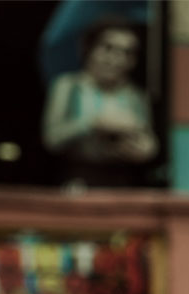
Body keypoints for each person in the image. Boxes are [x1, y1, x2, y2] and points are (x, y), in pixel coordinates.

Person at [42, 18, 158, 188]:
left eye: (126, 53)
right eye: (108, 48)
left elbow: (147, 141)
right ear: (90, 49)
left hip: (122, 181)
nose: (116, 59)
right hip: (78, 180)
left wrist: (144, 149)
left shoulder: (136, 96)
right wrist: (92, 123)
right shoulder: (69, 86)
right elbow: (52, 139)